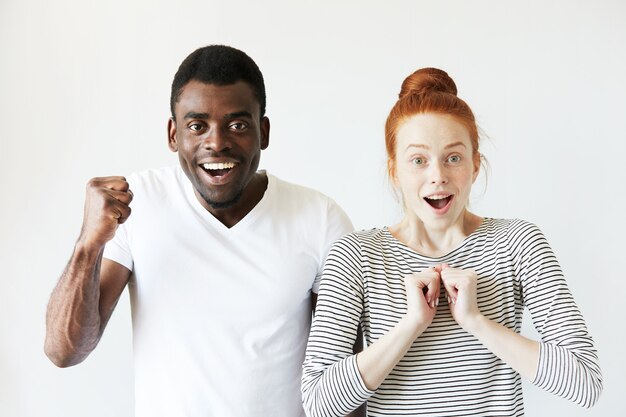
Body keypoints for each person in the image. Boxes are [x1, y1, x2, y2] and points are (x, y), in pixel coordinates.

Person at [44, 45, 357, 417]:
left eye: (238, 125)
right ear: (174, 134)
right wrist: (88, 244)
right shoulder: (136, 204)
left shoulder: (319, 218)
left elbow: (343, 383)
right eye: (197, 126)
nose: (217, 142)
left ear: (264, 131)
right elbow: (65, 351)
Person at [301, 68, 603, 416]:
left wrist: (476, 321)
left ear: (475, 165)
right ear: (394, 170)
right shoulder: (356, 255)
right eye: (418, 160)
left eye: (454, 157)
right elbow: (318, 404)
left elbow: (585, 382)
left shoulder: (518, 243)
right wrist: (411, 325)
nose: (438, 176)